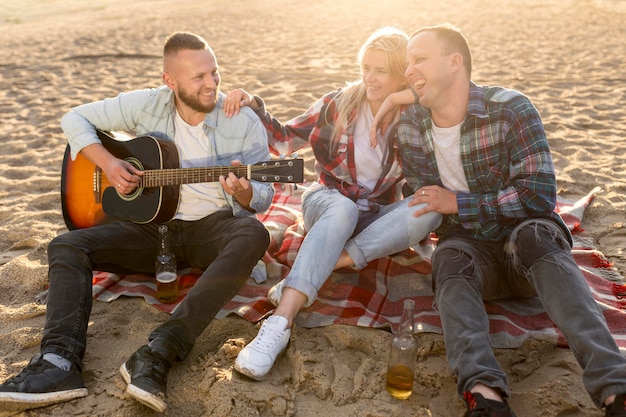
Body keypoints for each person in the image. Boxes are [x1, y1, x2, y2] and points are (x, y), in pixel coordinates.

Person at [0, 32, 274, 413]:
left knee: (254, 232)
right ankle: (58, 363)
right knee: (66, 245)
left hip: (209, 230)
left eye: (215, 72)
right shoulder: (147, 103)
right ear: (170, 81)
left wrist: (245, 194)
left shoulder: (241, 120)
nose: (212, 84)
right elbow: (74, 117)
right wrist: (109, 164)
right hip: (151, 228)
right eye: (199, 77)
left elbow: (264, 194)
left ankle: (159, 350)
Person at [372, 23, 626, 417]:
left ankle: (615, 387)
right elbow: (424, 202)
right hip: (469, 255)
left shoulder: (510, 108)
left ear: (455, 63)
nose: (408, 71)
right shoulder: (411, 127)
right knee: (448, 258)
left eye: (419, 60)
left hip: (526, 247)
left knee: (537, 235)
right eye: (407, 65)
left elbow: (538, 195)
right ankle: (484, 394)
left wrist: (459, 203)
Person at [222, 26, 442, 381]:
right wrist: (253, 105)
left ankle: (322, 264)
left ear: (402, 74)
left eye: (381, 70)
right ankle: (278, 325)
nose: (369, 77)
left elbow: (450, 96)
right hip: (328, 202)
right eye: (365, 67)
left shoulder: (415, 117)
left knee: (430, 206)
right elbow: (282, 141)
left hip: (377, 218)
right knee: (344, 208)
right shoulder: (337, 103)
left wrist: (401, 100)